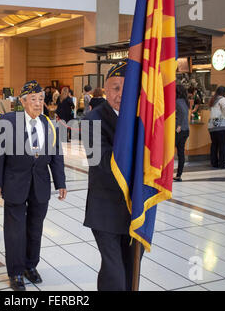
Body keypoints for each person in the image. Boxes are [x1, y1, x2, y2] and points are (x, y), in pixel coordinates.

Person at [0, 80, 67, 291]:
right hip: (15, 183)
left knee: (35, 228)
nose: (38, 103)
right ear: (23, 102)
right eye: (33, 99)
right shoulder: (8, 121)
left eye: (41, 99)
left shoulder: (49, 124)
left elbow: (56, 156)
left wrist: (60, 182)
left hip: (40, 186)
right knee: (15, 231)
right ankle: (15, 272)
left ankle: (30, 266)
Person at [83, 60, 144, 291]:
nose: (121, 94)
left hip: (135, 208)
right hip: (105, 209)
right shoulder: (93, 120)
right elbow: (102, 163)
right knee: (114, 271)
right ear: (105, 90)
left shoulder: (142, 120)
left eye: (126, 88)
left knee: (131, 269)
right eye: (115, 88)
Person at [208, 86, 225, 169]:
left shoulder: (213, 100)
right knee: (223, 145)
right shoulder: (223, 100)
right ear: (223, 92)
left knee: (214, 145)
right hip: (222, 126)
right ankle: (222, 164)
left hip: (212, 126)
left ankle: (214, 163)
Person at [174, 84, 190, 182]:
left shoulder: (177, 101)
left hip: (179, 130)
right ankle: (179, 175)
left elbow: (182, 113)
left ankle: (167, 174)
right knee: (181, 153)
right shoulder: (185, 101)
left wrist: (178, 124)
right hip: (186, 130)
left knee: (169, 152)